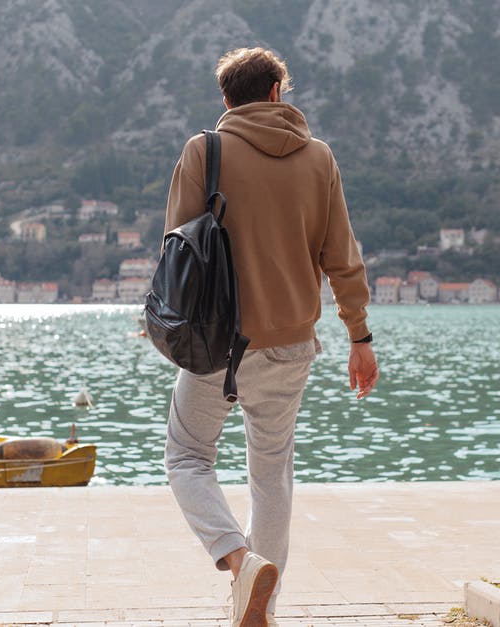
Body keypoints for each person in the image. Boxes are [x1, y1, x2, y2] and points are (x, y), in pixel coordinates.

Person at [162, 47, 378, 627]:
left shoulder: (204, 152)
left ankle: (238, 560)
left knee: (186, 456)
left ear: (227, 99)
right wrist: (360, 336)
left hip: (215, 341)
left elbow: (176, 248)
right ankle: (262, 609)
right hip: (290, 342)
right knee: (272, 471)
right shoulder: (319, 159)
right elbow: (343, 257)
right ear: (278, 92)